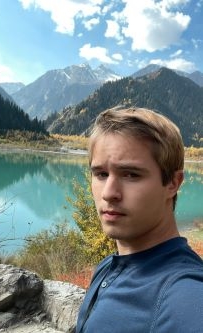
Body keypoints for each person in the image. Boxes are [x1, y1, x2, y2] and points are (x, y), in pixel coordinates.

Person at [76, 107, 203, 333]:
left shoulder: (183, 294)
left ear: (173, 183)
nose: (108, 193)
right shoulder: (108, 266)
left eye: (131, 174)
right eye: (101, 174)